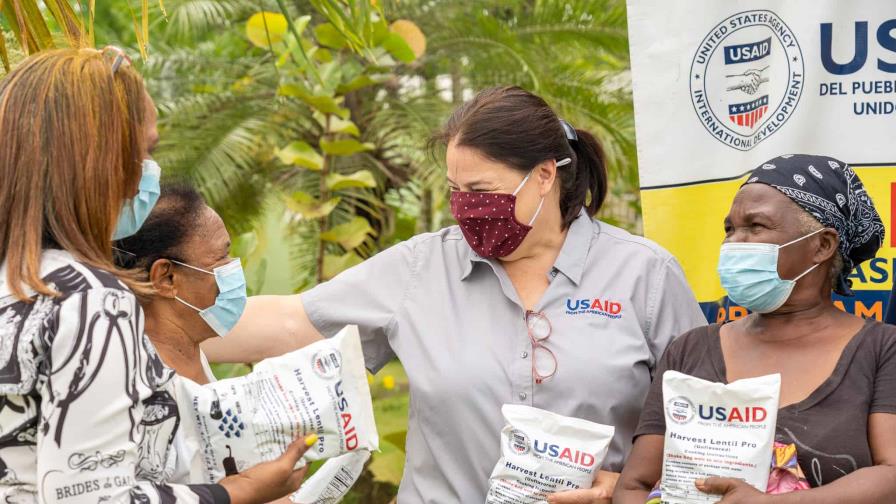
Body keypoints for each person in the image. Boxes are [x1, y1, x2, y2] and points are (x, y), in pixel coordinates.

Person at [203, 86, 707, 502]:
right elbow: (291, 323)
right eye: (455, 190)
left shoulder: (647, 276)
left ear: (546, 176)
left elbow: (701, 436)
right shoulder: (422, 267)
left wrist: (630, 491)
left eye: (482, 190)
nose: (467, 208)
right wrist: (151, 323)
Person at [0, 48, 311, 504]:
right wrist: (236, 492)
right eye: (145, 151)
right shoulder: (90, 301)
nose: (151, 172)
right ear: (99, 160)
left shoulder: (18, 282)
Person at [614, 155, 896, 503]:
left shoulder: (882, 350)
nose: (733, 242)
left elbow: (891, 476)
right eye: (729, 229)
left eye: (756, 226)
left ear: (822, 245)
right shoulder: (690, 350)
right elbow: (635, 485)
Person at [114, 184, 238, 385]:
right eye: (222, 256)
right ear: (167, 278)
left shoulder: (189, 353)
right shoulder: (155, 387)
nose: (233, 266)